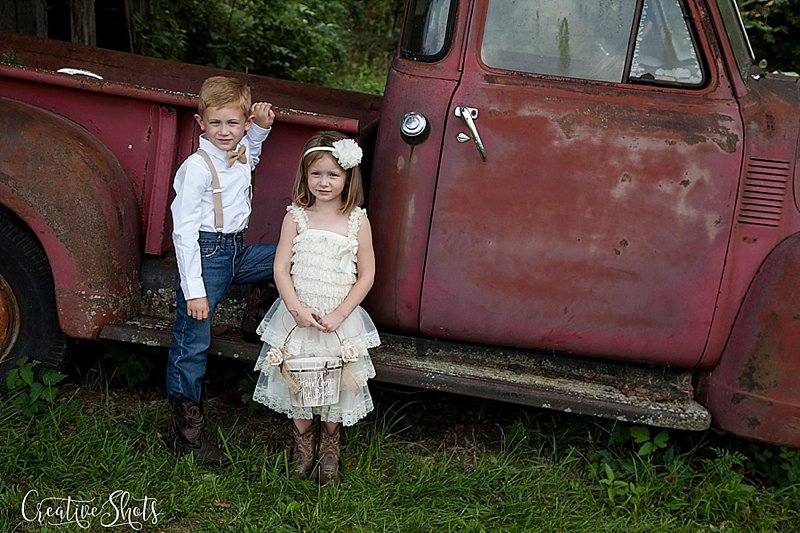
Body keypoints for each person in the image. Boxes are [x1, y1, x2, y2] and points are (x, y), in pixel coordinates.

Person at [252, 131, 379, 485]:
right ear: (305, 176)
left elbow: (367, 274)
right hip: (299, 317)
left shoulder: (356, 219)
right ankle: (303, 448)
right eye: (316, 174)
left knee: (335, 385)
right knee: (299, 381)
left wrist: (340, 314)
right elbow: (280, 267)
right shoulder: (296, 217)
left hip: (338, 319)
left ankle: (329, 454)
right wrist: (294, 308)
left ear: (348, 178)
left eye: (333, 175)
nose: (324, 182)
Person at [167, 75, 276, 466]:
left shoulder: (241, 149)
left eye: (233, 123)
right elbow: (182, 233)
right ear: (201, 123)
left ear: (244, 124)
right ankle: (187, 439)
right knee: (192, 342)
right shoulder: (195, 168)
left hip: (236, 251)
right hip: (206, 255)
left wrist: (260, 129)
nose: (224, 131)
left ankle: (257, 314)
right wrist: (194, 289)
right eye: (216, 123)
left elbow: (252, 154)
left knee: (290, 257)